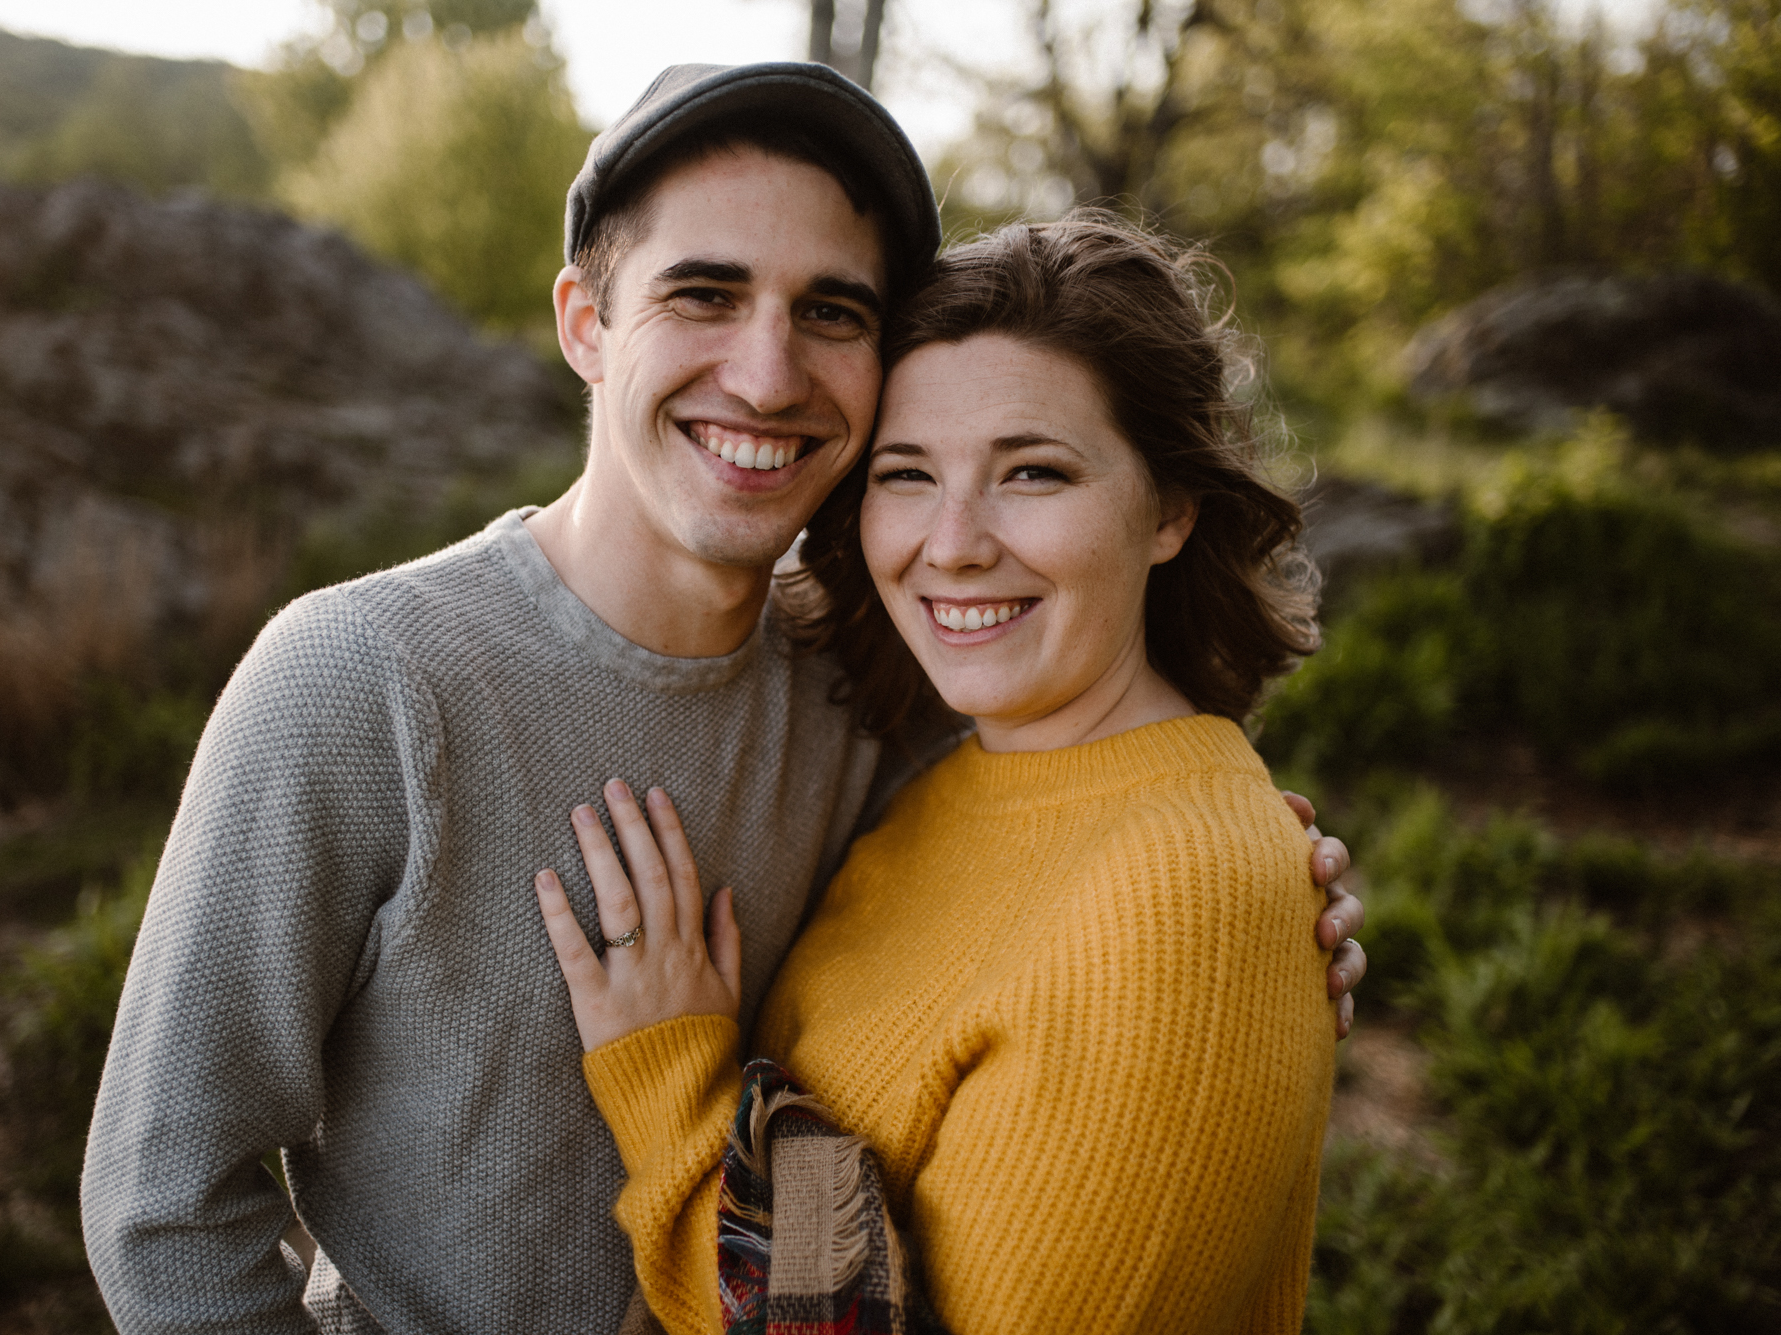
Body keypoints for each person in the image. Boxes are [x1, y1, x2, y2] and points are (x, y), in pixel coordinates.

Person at [81, 64, 1365, 1334]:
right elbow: (166, 1208)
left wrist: (1247, 898)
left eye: (832, 312)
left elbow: (1092, 833)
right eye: (703, 292)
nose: (763, 376)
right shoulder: (359, 679)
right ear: (586, 321)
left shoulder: (877, 690)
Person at [535, 211, 1339, 1334]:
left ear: (1167, 510)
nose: (951, 542)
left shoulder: (1190, 904)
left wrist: (671, 1084)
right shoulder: (952, 771)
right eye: (906, 474)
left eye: (1034, 472)